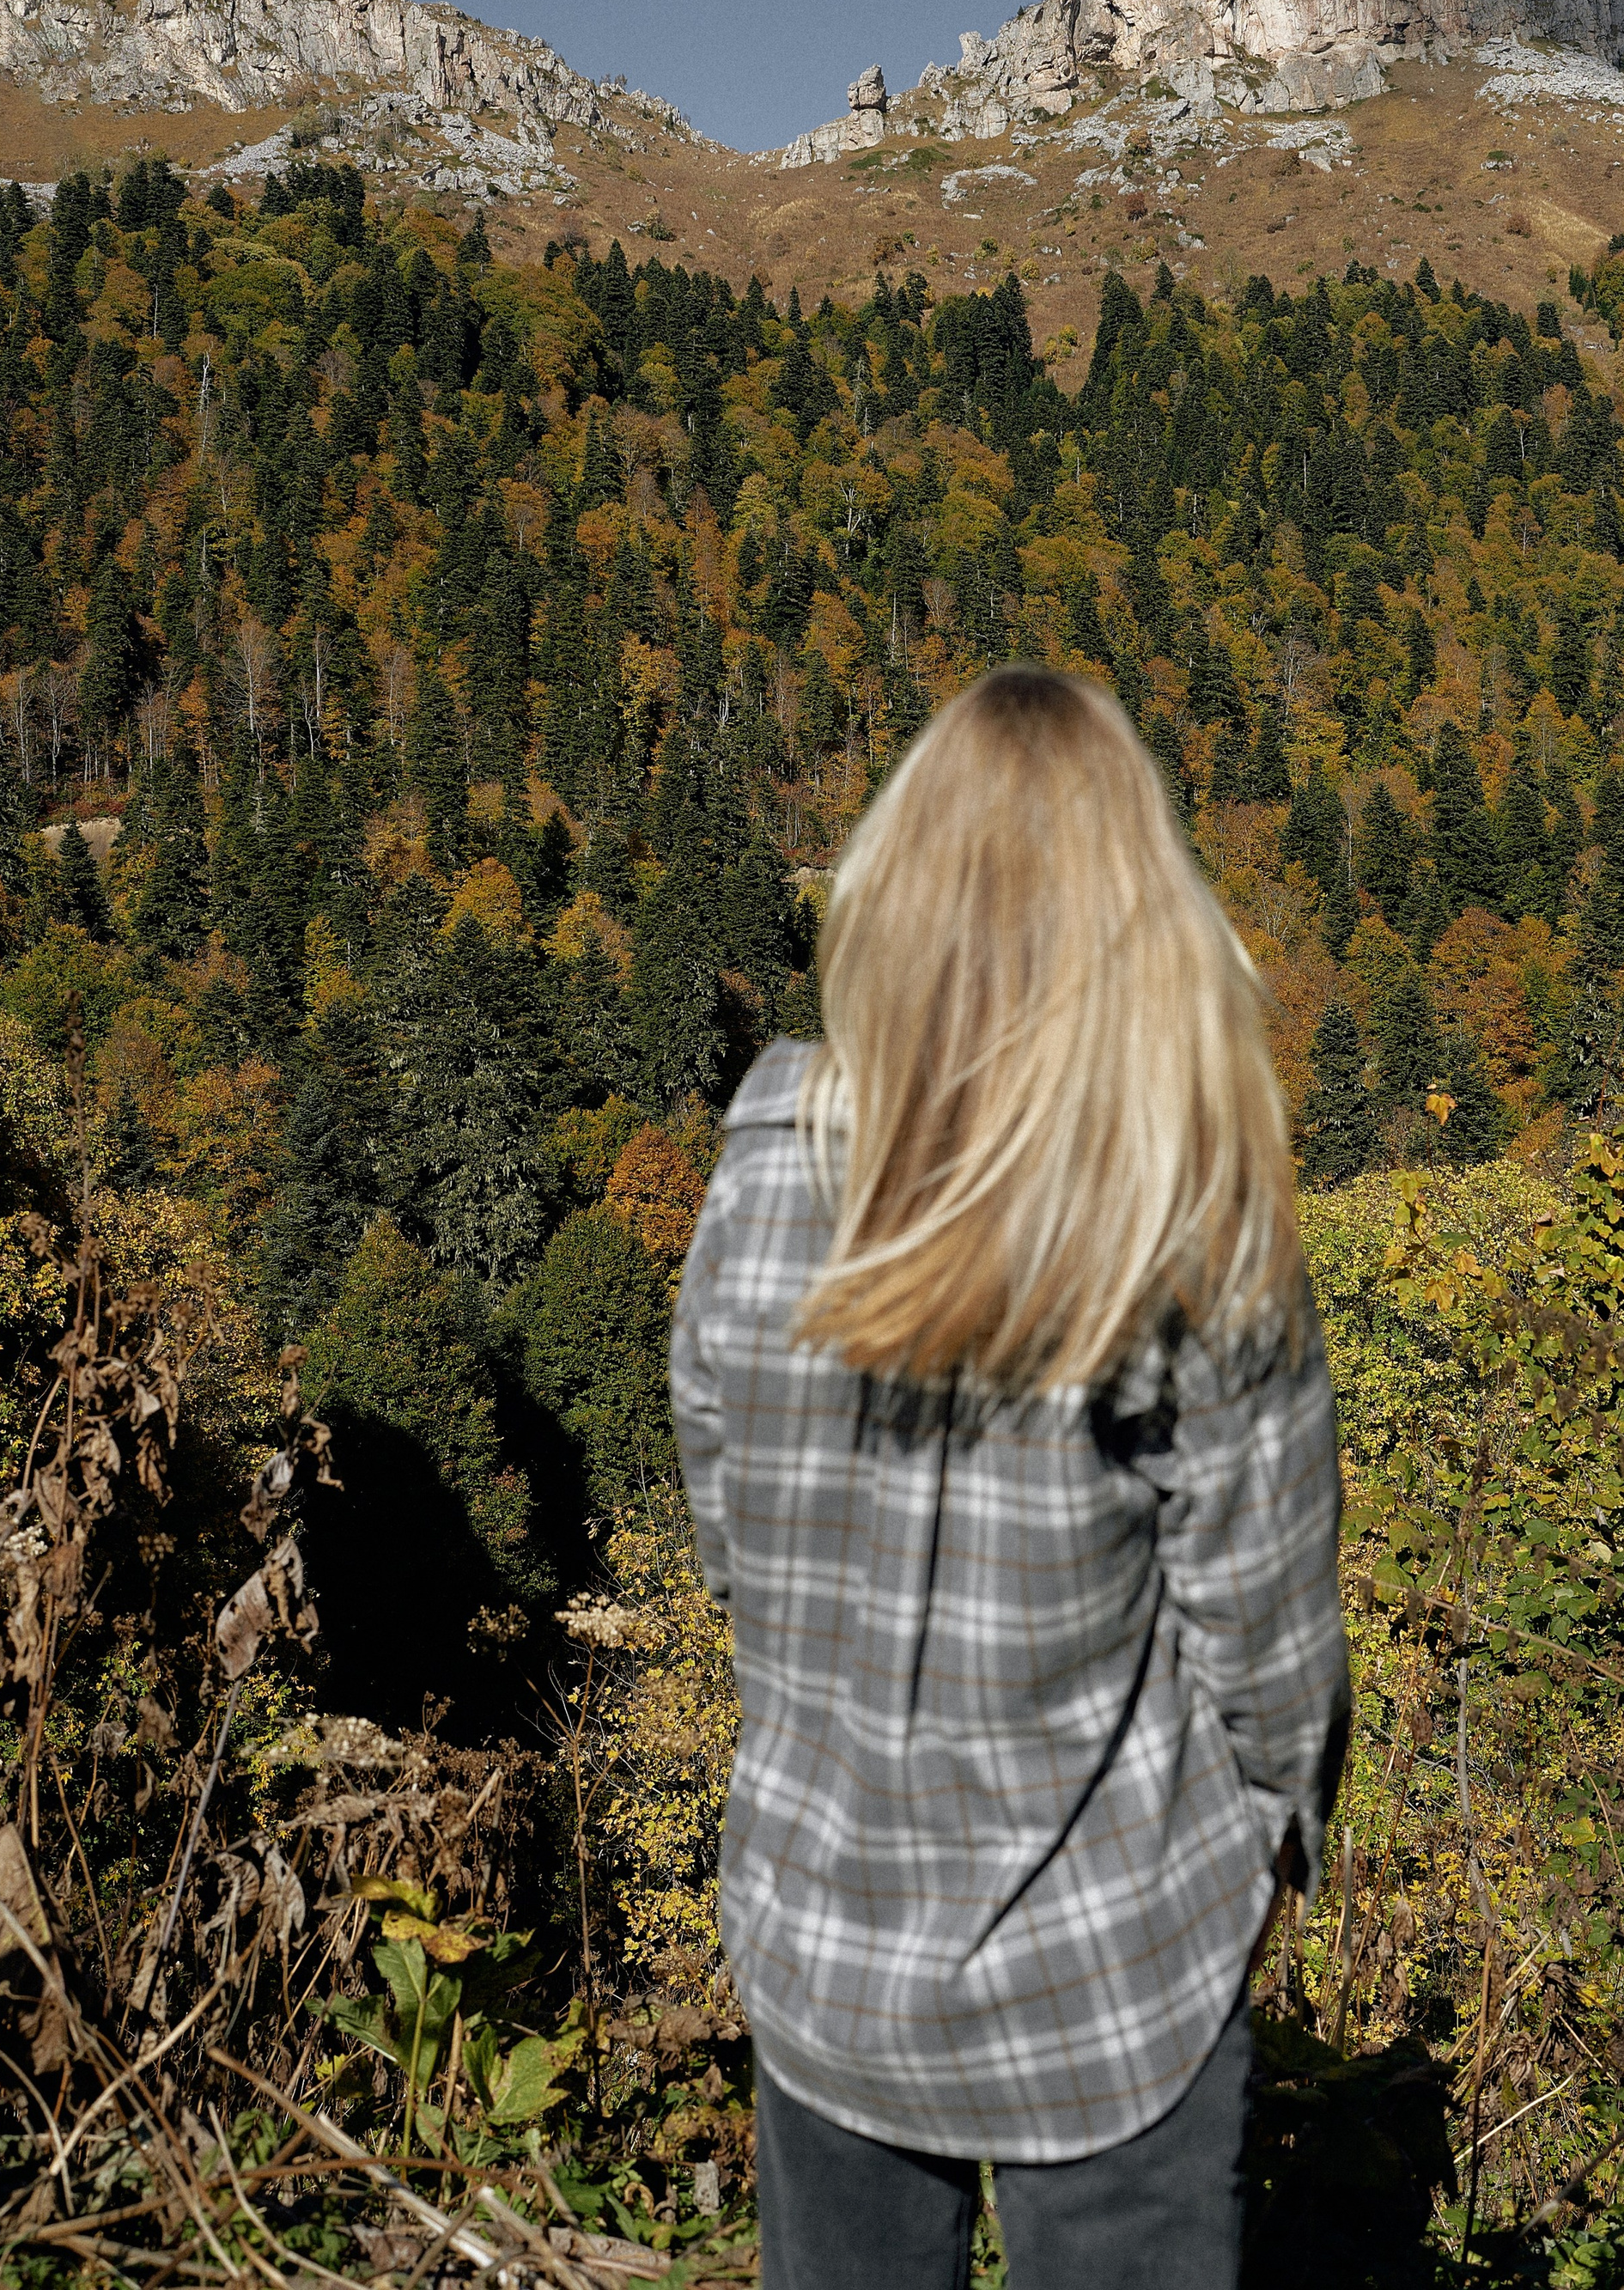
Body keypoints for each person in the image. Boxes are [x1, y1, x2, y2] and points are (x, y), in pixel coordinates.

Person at [670, 667, 1350, 2290]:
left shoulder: (766, 1155)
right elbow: (1268, 1633)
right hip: (1111, 1974)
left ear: (893, 891)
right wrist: (1275, 1841)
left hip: (827, 1944)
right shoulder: (1183, 1215)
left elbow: (726, 1514)